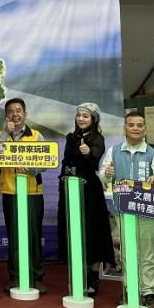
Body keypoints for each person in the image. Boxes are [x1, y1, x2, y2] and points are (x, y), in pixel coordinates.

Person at [99, 111, 154, 308]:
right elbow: (103, 175)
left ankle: (149, 291)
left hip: (148, 209)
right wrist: (107, 174)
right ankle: (130, 289)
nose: (135, 128)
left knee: (148, 250)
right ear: (125, 128)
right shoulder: (114, 151)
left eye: (139, 125)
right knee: (128, 252)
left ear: (145, 129)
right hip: (123, 211)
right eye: (131, 125)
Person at [58, 102, 114, 295]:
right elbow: (66, 161)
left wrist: (88, 152)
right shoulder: (71, 137)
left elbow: (96, 158)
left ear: (94, 119)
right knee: (73, 231)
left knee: (93, 232)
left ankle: (93, 276)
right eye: (79, 115)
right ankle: (78, 273)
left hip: (89, 192)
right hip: (69, 188)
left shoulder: (98, 138)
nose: (81, 119)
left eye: (85, 116)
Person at [0, 98, 46, 294]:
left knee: (33, 235)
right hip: (10, 191)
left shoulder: (36, 135)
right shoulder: (1, 136)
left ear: (25, 114)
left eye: (18, 111)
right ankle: (15, 277)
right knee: (14, 235)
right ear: (6, 116)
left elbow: (46, 161)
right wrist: (6, 133)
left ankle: (36, 277)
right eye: (11, 111)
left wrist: (32, 168)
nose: (15, 114)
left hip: (32, 191)